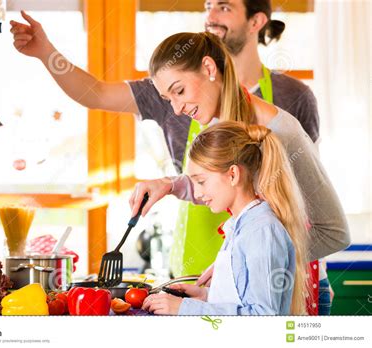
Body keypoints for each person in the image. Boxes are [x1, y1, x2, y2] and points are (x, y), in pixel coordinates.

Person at [9, 0, 321, 278]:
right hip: (192, 272)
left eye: (224, 6)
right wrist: (45, 52)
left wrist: (246, 260)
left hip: (270, 274)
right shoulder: (173, 88)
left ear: (256, 21)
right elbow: (97, 94)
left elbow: (304, 197)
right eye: (207, 5)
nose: (211, 14)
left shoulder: (290, 101)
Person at [128, 31, 349, 300]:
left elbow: (334, 232)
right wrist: (170, 185)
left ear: (209, 68)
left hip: (297, 294)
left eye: (179, 91)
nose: (176, 109)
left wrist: (243, 261)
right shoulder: (214, 126)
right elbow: (223, 184)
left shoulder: (282, 131)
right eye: (168, 99)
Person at [142, 121, 309, 315]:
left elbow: (263, 316)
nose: (196, 193)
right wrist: (206, 296)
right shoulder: (239, 226)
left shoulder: (262, 232)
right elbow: (242, 297)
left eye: (201, 181)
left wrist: (186, 308)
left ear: (232, 175)